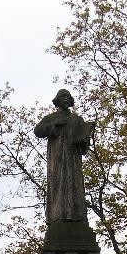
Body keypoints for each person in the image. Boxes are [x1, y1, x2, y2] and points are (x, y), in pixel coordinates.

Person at [34, 89, 95, 223]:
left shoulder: (77, 119)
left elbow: (83, 138)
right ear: (58, 101)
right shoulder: (51, 118)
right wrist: (54, 124)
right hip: (57, 158)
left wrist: (84, 140)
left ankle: (78, 217)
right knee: (58, 184)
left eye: (68, 97)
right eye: (63, 97)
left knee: (75, 184)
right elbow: (38, 131)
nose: (66, 99)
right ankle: (58, 216)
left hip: (73, 158)